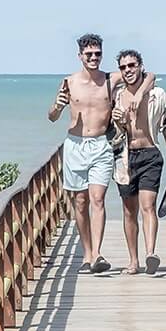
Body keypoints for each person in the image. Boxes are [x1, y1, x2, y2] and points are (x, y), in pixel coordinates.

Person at [47, 32, 117, 273]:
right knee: (80, 201)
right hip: (75, 144)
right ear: (80, 56)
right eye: (89, 54)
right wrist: (58, 106)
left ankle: (97, 254)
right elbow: (52, 117)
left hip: (101, 145)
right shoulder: (69, 82)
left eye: (98, 53)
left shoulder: (111, 79)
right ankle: (87, 252)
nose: (94, 57)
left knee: (98, 199)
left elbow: (147, 75)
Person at [110, 49, 166, 275]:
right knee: (129, 211)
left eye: (132, 65)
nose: (128, 70)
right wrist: (118, 123)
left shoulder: (157, 95)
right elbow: (108, 132)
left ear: (141, 66)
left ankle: (151, 253)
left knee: (147, 205)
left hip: (150, 154)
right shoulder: (116, 96)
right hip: (124, 157)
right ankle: (133, 261)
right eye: (123, 67)